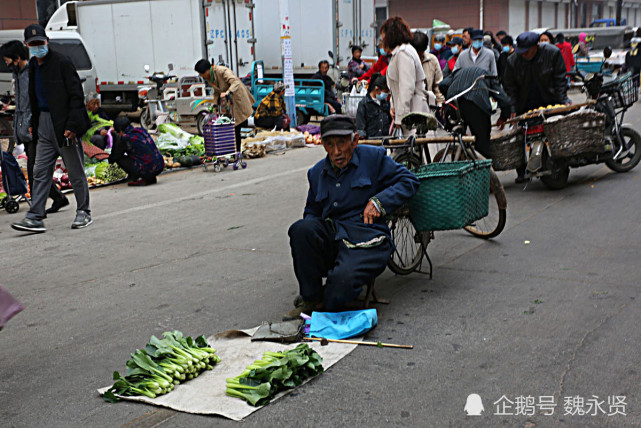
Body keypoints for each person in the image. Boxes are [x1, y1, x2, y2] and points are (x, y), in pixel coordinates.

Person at [283, 115, 419, 319]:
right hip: (334, 235)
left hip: (368, 238)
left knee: (337, 292)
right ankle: (310, 298)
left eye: (342, 143)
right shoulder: (317, 173)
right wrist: (311, 244)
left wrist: (378, 202)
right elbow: (312, 211)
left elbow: (409, 180)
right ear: (323, 145)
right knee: (301, 229)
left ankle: (328, 300)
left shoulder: (373, 159)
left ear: (354, 140)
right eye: (330, 145)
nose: (336, 152)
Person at [11, 24, 91, 233]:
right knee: (39, 171)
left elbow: (76, 96)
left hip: (63, 125)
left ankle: (84, 211)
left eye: (40, 43)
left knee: (75, 172)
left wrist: (72, 125)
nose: (37, 47)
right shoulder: (33, 68)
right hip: (44, 126)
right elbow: (34, 99)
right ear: (27, 45)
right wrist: (32, 124)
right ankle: (36, 216)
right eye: (33, 44)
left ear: (47, 41)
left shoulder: (62, 63)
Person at [1, 40, 68, 214]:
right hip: (25, 127)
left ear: (17, 58)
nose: (5, 62)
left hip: (35, 127)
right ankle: (57, 198)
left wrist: (31, 124)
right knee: (36, 170)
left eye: (7, 59)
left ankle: (38, 209)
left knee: (34, 169)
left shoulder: (31, 73)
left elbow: (34, 102)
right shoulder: (18, 73)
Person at [503, 31, 570, 182]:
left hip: (550, 100)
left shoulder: (552, 53)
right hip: (525, 104)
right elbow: (510, 86)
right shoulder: (513, 61)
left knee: (557, 129)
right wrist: (513, 108)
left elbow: (560, 78)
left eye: (527, 51)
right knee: (519, 135)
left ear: (536, 46)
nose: (524, 54)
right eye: (522, 51)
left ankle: (562, 158)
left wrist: (563, 100)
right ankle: (521, 171)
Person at [439, 66, 512, 158]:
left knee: (457, 141)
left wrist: (449, 95)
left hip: (453, 104)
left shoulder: (458, 71)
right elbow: (505, 100)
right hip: (476, 104)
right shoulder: (488, 76)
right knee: (482, 144)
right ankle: (483, 168)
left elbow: (442, 85)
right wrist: (503, 117)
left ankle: (457, 163)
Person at [194, 59, 255, 153]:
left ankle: (236, 153)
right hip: (229, 102)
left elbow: (235, 82)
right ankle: (232, 152)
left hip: (237, 98)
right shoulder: (209, 77)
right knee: (229, 126)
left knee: (235, 126)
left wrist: (227, 92)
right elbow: (217, 91)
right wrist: (214, 105)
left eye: (201, 73)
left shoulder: (222, 71)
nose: (201, 75)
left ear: (206, 70)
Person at [380, 16, 428, 134]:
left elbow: (406, 88)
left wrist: (401, 117)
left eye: (383, 36)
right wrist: (394, 107)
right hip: (410, 112)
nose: (382, 40)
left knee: (415, 150)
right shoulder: (400, 53)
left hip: (413, 114)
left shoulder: (403, 53)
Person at [108, 117, 164, 186]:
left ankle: (136, 177)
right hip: (159, 165)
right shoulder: (140, 130)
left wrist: (115, 138)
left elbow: (115, 156)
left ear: (121, 131)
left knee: (120, 159)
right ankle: (150, 177)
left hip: (147, 168)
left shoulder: (125, 137)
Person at [412, 31, 445, 105]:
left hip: (428, 106)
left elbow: (438, 87)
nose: (418, 58)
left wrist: (440, 104)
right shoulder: (406, 62)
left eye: (420, 54)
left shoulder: (432, 60)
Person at [355, 73, 392, 138]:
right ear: (377, 89)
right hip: (371, 144)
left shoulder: (385, 104)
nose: (386, 94)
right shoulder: (364, 104)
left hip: (384, 143)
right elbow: (360, 129)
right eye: (385, 92)